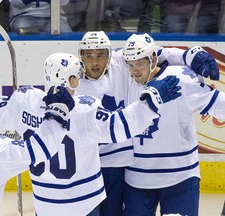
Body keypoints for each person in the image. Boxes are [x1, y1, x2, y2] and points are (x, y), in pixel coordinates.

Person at [0, 52, 181, 216]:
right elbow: (121, 125)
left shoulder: (24, 102)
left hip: (45, 205)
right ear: (72, 80)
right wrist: (152, 100)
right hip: (84, 206)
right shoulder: (84, 109)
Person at [75, 30, 219, 216]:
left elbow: (155, 52)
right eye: (89, 55)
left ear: (109, 55)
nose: (95, 61)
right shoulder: (76, 78)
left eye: (100, 55)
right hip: (112, 172)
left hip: (160, 173)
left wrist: (187, 55)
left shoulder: (123, 62)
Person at [121, 33, 225, 216]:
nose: (135, 70)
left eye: (140, 64)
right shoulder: (122, 77)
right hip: (136, 179)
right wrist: (185, 55)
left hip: (180, 177)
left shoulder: (180, 79)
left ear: (153, 60)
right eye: (131, 64)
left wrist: (187, 55)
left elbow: (217, 104)